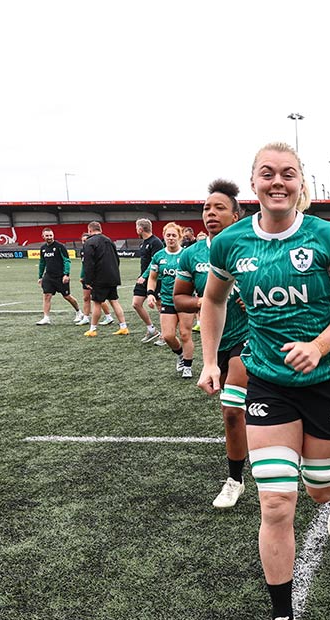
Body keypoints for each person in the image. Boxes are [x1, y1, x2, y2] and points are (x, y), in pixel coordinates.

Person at [196, 142, 330, 620]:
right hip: (267, 385)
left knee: (319, 487)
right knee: (275, 502)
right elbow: (213, 301)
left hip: (326, 380)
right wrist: (209, 361)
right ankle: (282, 619)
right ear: (253, 182)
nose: (277, 182)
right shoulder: (230, 244)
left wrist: (318, 345)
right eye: (266, 174)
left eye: (287, 175)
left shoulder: (326, 237)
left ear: (301, 183)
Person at [175, 179, 250, 508]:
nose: (211, 213)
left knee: (233, 409)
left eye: (219, 207)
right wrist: (207, 303)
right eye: (207, 208)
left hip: (249, 338)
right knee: (238, 414)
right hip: (213, 341)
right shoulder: (192, 255)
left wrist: (254, 299)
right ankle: (239, 476)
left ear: (236, 215)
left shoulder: (250, 248)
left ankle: (234, 479)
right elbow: (179, 298)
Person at [147, 222, 193, 377]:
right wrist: (151, 293)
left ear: (179, 237)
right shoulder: (159, 256)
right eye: (168, 235)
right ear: (164, 236)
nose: (171, 238)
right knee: (167, 336)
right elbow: (152, 278)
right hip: (167, 300)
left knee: (185, 334)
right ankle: (180, 354)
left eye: (174, 235)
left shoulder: (187, 254)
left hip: (186, 299)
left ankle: (187, 366)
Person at [81, 221, 129, 337]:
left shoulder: (89, 242)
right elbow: (117, 260)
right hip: (112, 276)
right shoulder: (109, 241)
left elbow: (89, 263)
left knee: (97, 303)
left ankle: (92, 329)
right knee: (114, 301)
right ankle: (123, 327)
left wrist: (88, 280)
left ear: (90, 230)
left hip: (99, 278)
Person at [35, 227, 83, 325]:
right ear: (43, 236)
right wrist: (40, 276)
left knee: (67, 296)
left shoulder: (60, 246)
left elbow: (67, 260)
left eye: (51, 235)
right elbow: (42, 262)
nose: (49, 237)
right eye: (47, 236)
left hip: (60, 276)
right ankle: (46, 318)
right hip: (48, 276)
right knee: (46, 296)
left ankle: (79, 312)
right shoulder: (43, 248)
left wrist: (66, 274)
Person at [130, 219, 164, 343]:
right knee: (136, 303)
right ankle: (151, 330)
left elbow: (155, 261)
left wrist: (144, 276)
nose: (136, 230)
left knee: (160, 306)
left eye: (136, 228)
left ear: (140, 229)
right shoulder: (143, 243)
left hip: (155, 278)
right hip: (144, 278)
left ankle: (165, 334)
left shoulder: (156, 242)